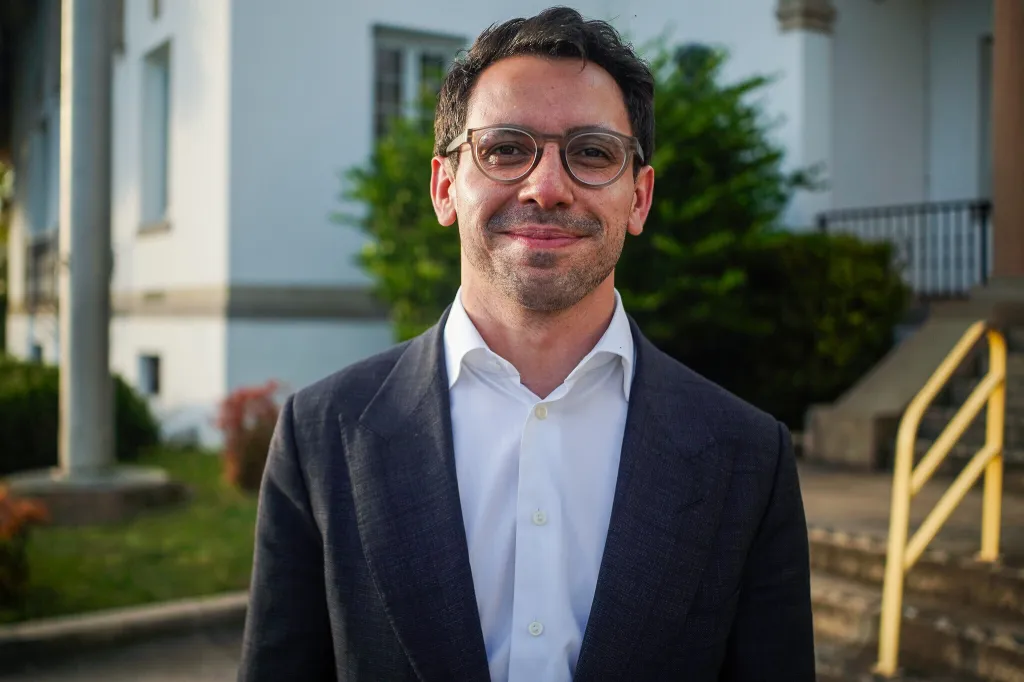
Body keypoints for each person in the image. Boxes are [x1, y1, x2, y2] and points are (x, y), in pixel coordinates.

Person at [237, 7, 816, 682]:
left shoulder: (750, 459)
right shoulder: (321, 436)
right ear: (445, 186)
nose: (546, 188)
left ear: (640, 198)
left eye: (593, 153)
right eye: (506, 148)